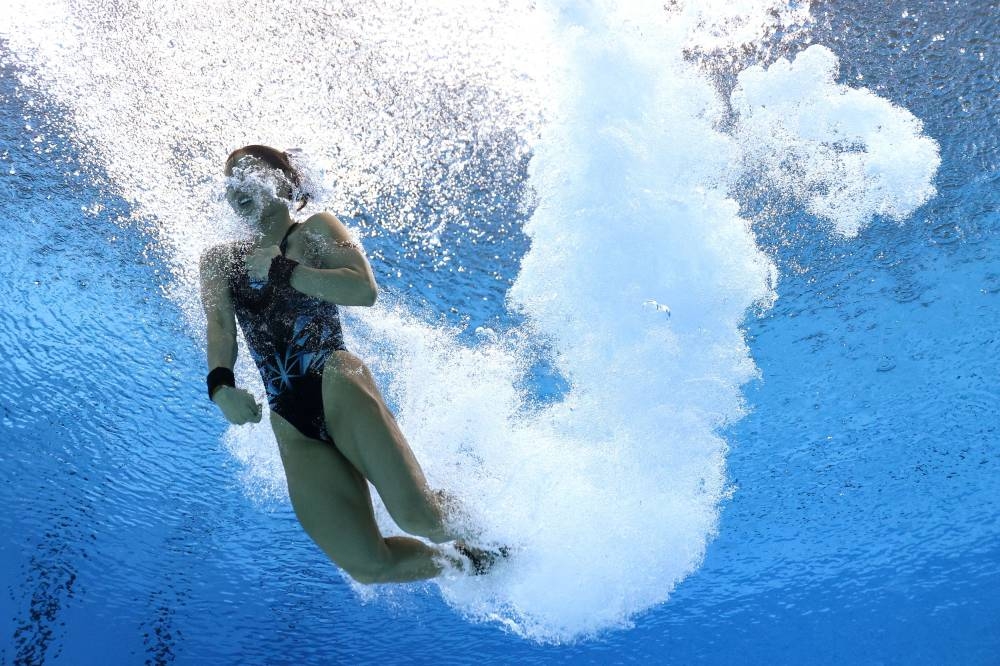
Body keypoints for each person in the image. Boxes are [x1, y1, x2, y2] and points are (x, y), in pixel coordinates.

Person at [199, 144, 503, 583]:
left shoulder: (317, 229)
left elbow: (363, 290)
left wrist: (284, 270)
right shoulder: (220, 261)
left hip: (337, 379)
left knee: (420, 518)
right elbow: (220, 327)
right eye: (231, 180)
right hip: (289, 418)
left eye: (250, 173)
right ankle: (474, 562)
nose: (238, 186)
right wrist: (220, 386)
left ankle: (500, 533)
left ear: (282, 181)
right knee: (366, 564)